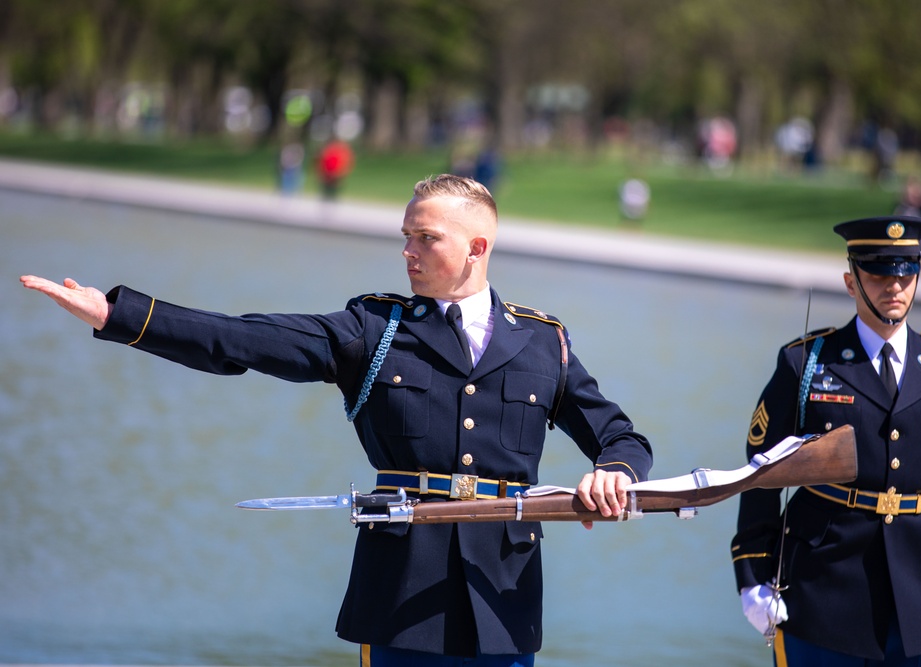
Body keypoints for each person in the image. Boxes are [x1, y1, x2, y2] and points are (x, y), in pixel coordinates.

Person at [20, 174, 653, 667]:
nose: (407, 251)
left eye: (425, 237)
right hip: (402, 593)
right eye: (405, 234)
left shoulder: (544, 342)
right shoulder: (375, 330)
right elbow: (244, 341)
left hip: (504, 598)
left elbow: (620, 437)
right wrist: (120, 316)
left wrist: (614, 474)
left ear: (476, 247)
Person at [731, 215, 921, 666]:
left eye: (906, 273)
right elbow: (761, 473)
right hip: (819, 594)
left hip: (916, 602)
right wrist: (753, 575)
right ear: (852, 282)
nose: (895, 286)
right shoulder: (807, 363)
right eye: (880, 273)